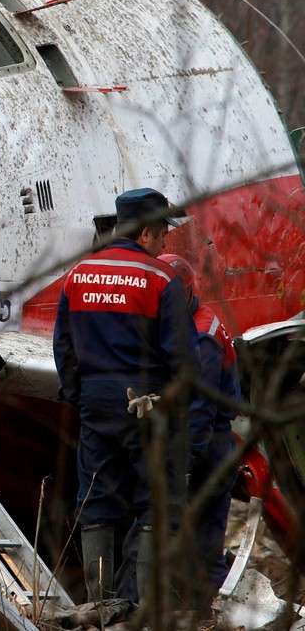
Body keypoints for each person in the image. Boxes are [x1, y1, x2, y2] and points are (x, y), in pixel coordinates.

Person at [52, 187, 201, 604]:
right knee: (156, 501)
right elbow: (184, 358)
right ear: (147, 233)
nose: (166, 241)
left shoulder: (77, 274)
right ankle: (141, 606)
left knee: (97, 498)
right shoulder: (161, 278)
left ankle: (101, 605)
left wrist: (76, 395)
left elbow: (62, 345)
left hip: (95, 402)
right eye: (163, 233)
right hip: (148, 404)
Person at [157, 252, 240, 607]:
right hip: (214, 441)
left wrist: (185, 458)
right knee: (204, 536)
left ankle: (215, 609)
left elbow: (201, 408)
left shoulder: (202, 337)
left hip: (210, 443)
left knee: (204, 546)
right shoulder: (198, 325)